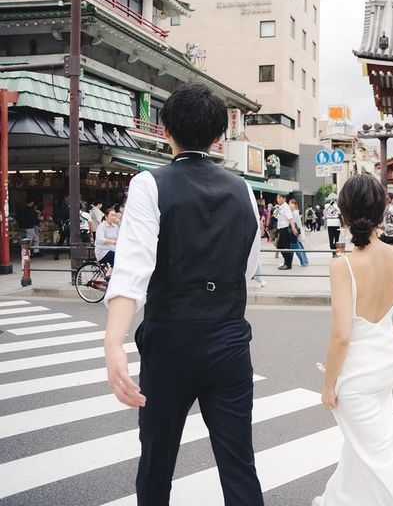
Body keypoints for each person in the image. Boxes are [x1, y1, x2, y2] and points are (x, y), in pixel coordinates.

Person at [103, 84, 263, 506]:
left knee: (157, 459)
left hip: (171, 339)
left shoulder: (149, 184)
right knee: (238, 463)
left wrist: (113, 340)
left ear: (165, 129)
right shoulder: (243, 190)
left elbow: (133, 270)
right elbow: (246, 269)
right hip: (229, 338)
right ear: (217, 136)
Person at [314, 174, 393, 506]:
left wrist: (327, 385)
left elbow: (341, 336)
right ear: (383, 209)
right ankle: (339, 499)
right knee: (363, 444)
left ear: (345, 214)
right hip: (384, 367)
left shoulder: (343, 266)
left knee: (381, 456)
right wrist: (388, 335)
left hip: (356, 375)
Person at [274, 193, 295, 270]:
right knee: (283, 247)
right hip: (281, 229)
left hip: (285, 229)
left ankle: (288, 264)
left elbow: (290, 218)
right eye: (277, 198)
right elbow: (276, 216)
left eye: (279, 198)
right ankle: (287, 263)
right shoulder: (280, 207)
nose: (278, 199)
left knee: (281, 246)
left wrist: (293, 229)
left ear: (284, 199)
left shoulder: (286, 207)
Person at [289, 199, 309, 267]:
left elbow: (293, 223)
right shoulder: (294, 212)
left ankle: (304, 261)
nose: (290, 205)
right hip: (296, 232)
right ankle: (304, 261)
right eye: (289, 204)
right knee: (297, 247)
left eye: (291, 204)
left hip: (295, 232)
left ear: (295, 205)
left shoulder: (295, 213)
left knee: (297, 248)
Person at [53, 196, 70, 260]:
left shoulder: (59, 209)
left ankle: (56, 254)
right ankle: (70, 255)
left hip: (62, 226)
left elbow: (56, 217)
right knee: (69, 241)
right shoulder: (68, 209)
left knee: (61, 241)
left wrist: (59, 224)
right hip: (68, 226)